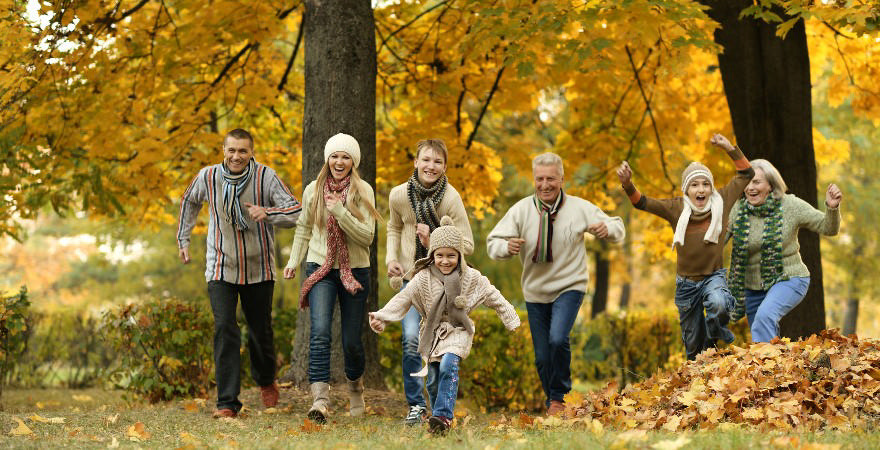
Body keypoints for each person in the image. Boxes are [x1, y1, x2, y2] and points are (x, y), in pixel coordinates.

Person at [487, 152, 625, 417]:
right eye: (540, 179)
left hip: (569, 285)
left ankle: (559, 398)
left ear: (562, 179)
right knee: (542, 356)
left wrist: (607, 230)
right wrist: (506, 247)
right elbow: (494, 243)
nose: (545, 184)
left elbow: (616, 226)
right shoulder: (521, 210)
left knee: (558, 338)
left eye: (551, 178)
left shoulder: (578, 208)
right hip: (535, 291)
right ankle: (553, 399)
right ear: (534, 180)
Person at [177, 128, 302, 418]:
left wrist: (268, 213)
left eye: (243, 151)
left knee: (260, 331)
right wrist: (184, 239)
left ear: (251, 152)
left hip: (259, 268)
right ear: (224, 150)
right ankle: (227, 402)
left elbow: (296, 211)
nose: (236, 156)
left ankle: (266, 379)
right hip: (220, 265)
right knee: (225, 328)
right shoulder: (208, 176)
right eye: (231, 150)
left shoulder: (265, 177)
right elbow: (189, 200)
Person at [370, 216, 520, 434]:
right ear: (432, 255)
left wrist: (510, 317)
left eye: (451, 255)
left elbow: (492, 295)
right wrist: (381, 316)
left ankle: (443, 416)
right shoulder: (422, 278)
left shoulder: (471, 277)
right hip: (433, 333)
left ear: (459, 256)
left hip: (458, 330)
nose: (445, 261)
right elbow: (403, 298)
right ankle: (437, 419)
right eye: (439, 255)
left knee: (449, 365)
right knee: (432, 381)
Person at [616, 133, 754, 361]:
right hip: (686, 285)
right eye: (694, 185)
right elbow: (641, 202)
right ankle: (701, 363)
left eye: (706, 184)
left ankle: (713, 337)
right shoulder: (676, 208)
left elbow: (747, 174)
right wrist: (627, 184)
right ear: (686, 189)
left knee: (719, 305)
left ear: (711, 188)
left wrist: (729, 148)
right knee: (693, 349)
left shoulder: (722, 200)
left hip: (714, 277)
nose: (701, 189)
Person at [283, 133, 381, 423]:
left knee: (351, 341)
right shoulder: (313, 190)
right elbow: (303, 228)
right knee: (320, 333)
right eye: (335, 156)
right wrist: (293, 261)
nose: (339, 161)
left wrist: (340, 212)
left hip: (356, 270)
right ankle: (320, 400)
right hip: (320, 268)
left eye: (345, 157)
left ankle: (355, 388)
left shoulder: (363, 191)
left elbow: (367, 237)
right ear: (327, 159)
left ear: (353, 162)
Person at [386, 139, 473, 425]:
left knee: (441, 347)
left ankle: (439, 407)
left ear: (445, 166)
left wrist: (434, 239)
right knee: (411, 338)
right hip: (413, 281)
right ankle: (415, 405)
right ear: (416, 162)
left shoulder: (451, 198)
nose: (430, 166)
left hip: (444, 286)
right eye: (426, 159)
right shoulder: (399, 195)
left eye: (437, 161)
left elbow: (468, 244)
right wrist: (391, 259)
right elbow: (393, 227)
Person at [727, 159, 842, 342]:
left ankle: (770, 360)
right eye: (746, 182)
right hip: (752, 287)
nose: (750, 188)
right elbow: (715, 241)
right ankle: (772, 361)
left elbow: (828, 227)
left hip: (789, 277)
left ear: (771, 184)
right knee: (762, 338)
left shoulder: (790, 206)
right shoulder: (738, 211)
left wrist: (832, 207)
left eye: (756, 182)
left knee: (764, 317)